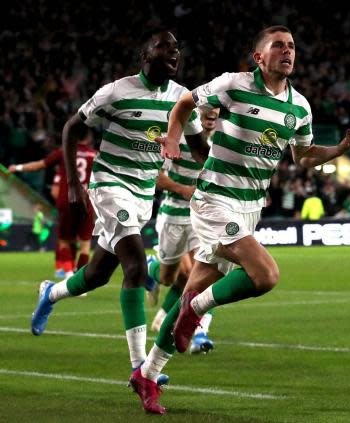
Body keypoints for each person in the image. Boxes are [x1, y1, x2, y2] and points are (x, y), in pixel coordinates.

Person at [133, 25, 350, 414]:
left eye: (292, 46)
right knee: (265, 274)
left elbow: (303, 156)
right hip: (213, 200)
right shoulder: (233, 84)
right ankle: (196, 308)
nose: (287, 51)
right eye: (278, 45)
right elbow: (186, 102)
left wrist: (339, 149)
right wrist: (173, 138)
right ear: (259, 57)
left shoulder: (299, 108)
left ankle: (148, 373)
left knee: (193, 293)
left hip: (249, 208)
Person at [29, 28, 208, 413]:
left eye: (177, 48)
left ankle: (50, 293)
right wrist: (76, 184)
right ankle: (139, 370)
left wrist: (225, 173)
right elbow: (72, 129)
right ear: (146, 53)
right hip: (110, 184)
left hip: (144, 193)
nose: (174, 53)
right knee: (136, 265)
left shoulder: (182, 98)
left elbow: (197, 148)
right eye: (165, 47)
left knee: (96, 274)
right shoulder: (116, 91)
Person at [146, 107, 218, 355]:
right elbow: (156, 177)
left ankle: (200, 332)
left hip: (202, 216)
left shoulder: (221, 140)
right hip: (173, 217)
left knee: (207, 272)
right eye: (207, 110)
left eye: (216, 111)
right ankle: (149, 268)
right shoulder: (178, 138)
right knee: (169, 277)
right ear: (196, 114)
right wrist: (182, 189)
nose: (212, 115)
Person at [9, 127, 96, 277]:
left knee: (64, 240)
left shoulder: (64, 152)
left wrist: (17, 167)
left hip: (67, 200)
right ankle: (80, 280)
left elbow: (40, 165)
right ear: (88, 138)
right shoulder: (95, 155)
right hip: (87, 202)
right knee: (85, 244)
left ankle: (67, 274)